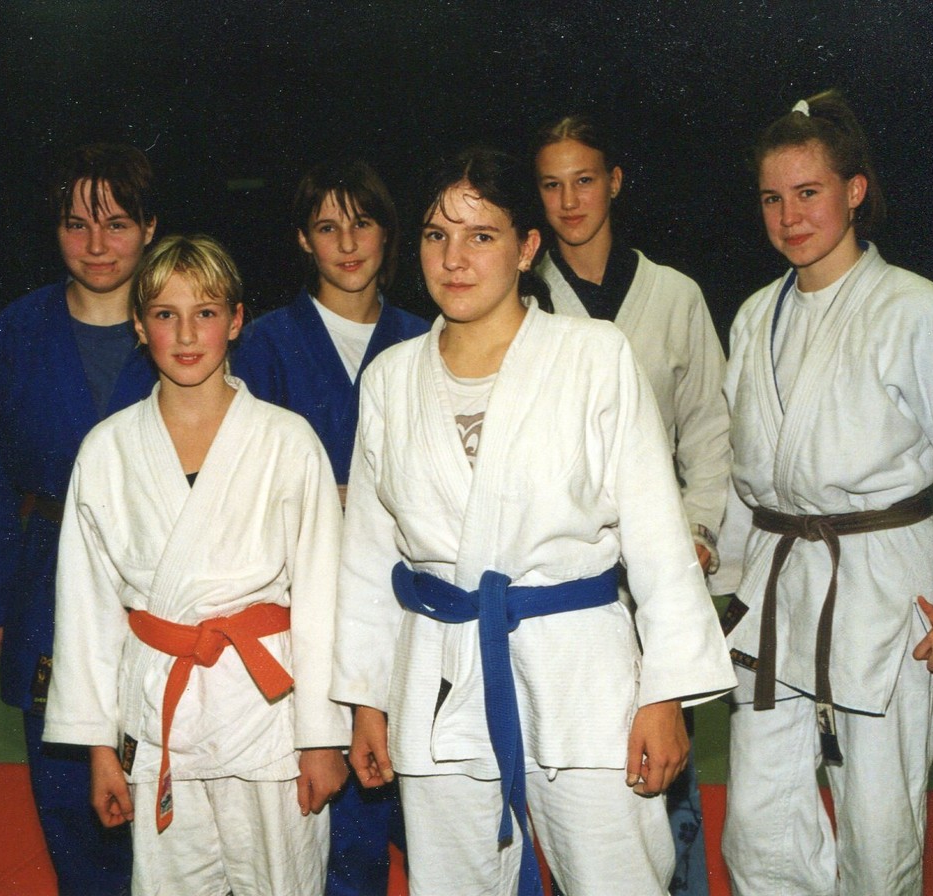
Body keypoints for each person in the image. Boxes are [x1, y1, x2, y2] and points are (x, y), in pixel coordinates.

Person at [331, 146, 736, 896]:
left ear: (526, 248)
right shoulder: (390, 379)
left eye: (480, 235)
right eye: (434, 235)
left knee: (618, 880)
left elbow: (656, 534)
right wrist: (364, 698)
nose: (453, 259)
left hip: (581, 670)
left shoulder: (593, 356)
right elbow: (366, 556)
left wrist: (667, 692)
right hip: (439, 673)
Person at [718, 89, 933, 896]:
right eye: (772, 198)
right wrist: (724, 587)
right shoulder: (755, 317)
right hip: (778, 585)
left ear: (854, 191)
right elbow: (745, 474)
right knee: (758, 821)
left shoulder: (916, 312)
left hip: (889, 588)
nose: (789, 216)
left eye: (809, 193)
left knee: (880, 820)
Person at [43, 234, 351, 895]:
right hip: (158, 719)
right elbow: (89, 611)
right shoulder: (107, 451)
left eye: (206, 312)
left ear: (236, 321)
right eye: (165, 314)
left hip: (268, 719)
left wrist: (323, 736)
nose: (187, 333)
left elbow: (324, 597)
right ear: (138, 324)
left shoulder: (287, 442)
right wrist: (101, 747)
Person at [533, 115, 731, 896]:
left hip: (655, 574)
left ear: (614, 181)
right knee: (567, 783)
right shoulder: (523, 301)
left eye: (584, 179)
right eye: (551, 184)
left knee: (666, 775)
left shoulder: (674, 295)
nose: (569, 200)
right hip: (565, 584)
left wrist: (698, 530)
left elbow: (711, 431)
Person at [0, 142, 157, 895]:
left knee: (175, 789)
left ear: (151, 227)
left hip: (164, 580)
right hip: (46, 577)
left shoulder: (178, 322)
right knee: (69, 788)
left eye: (117, 224)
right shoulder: (17, 329)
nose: (97, 245)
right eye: (77, 225)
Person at [232, 158, 428, 895]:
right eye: (327, 226)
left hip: (414, 618)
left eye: (363, 222)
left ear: (389, 235)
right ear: (303, 241)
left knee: (443, 823)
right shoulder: (266, 345)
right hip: (307, 620)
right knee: (338, 838)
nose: (347, 242)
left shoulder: (426, 338)